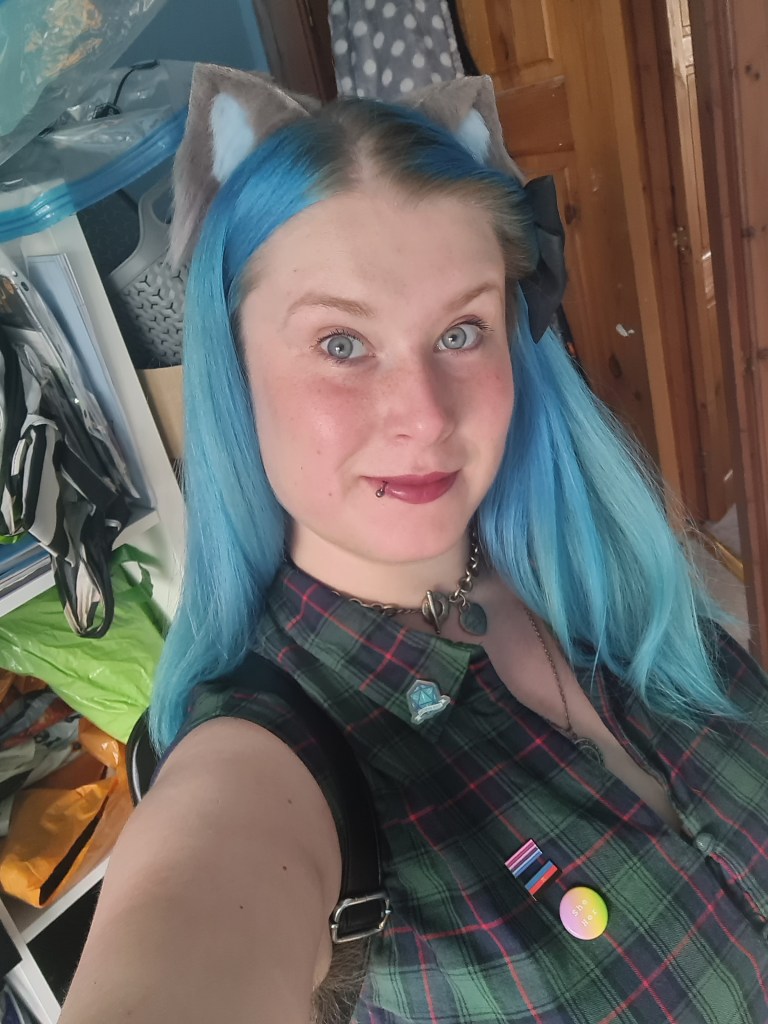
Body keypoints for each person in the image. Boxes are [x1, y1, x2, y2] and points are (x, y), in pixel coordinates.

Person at [60, 65, 768, 1024]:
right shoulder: (259, 773)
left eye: (462, 331)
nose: (425, 417)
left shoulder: (611, 574)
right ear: (236, 369)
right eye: (341, 344)